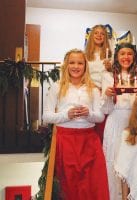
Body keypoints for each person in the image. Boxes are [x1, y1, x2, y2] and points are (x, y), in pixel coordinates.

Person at [43, 49, 109, 200]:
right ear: (66, 65)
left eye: (80, 63)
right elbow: (46, 116)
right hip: (66, 141)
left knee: (94, 186)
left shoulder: (92, 89)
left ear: (85, 66)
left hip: (90, 142)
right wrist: (66, 115)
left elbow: (99, 117)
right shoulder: (57, 87)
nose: (76, 66)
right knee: (72, 187)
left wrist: (88, 114)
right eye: (72, 62)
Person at [101, 42, 137, 200]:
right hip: (115, 122)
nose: (126, 57)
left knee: (135, 163)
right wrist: (107, 95)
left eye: (129, 54)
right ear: (116, 57)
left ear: (134, 57)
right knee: (115, 164)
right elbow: (105, 110)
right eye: (122, 54)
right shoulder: (107, 77)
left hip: (135, 124)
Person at [85, 24, 113, 142]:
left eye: (102, 33)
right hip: (90, 90)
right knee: (91, 122)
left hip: (105, 92)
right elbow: (83, 73)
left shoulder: (111, 55)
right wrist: (92, 86)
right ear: (91, 36)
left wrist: (110, 68)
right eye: (96, 33)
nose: (99, 35)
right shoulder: (85, 55)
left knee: (103, 124)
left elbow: (114, 75)